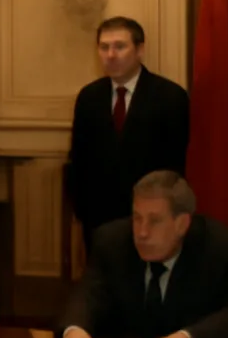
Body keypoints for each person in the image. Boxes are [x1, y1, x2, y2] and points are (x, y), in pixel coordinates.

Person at [55, 171, 228, 338]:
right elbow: (88, 294)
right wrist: (75, 330)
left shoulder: (224, 250)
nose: (142, 232)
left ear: (182, 224)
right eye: (137, 218)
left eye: (154, 221)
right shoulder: (112, 242)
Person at [68, 16, 189, 247]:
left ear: (140, 50)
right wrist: (81, 210)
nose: (110, 55)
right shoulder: (89, 97)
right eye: (104, 47)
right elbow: (79, 159)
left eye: (120, 46)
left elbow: (174, 166)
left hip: (150, 217)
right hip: (98, 219)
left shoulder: (170, 97)